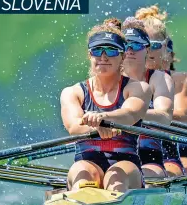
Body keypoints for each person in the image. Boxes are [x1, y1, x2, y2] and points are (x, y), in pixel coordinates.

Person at [60, 24, 152, 192]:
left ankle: (112, 200)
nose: (103, 57)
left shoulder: (139, 88)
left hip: (125, 164)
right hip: (86, 161)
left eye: (111, 51)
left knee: (115, 176)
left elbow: (130, 114)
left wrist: (105, 119)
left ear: (122, 56)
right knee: (82, 173)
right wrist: (100, 125)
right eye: (97, 51)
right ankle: (83, 198)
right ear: (89, 55)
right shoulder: (72, 92)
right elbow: (74, 127)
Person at [135, 4, 187, 176]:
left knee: (186, 167)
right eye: (141, 45)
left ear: (165, 47)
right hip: (131, 148)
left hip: (169, 146)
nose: (147, 50)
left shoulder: (179, 80)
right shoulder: (121, 78)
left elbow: (184, 116)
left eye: (153, 45)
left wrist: (134, 113)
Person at [117, 16, 175, 179]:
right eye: (126, 45)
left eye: (136, 45)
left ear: (147, 50)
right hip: (113, 152)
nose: (130, 50)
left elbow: (164, 118)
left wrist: (128, 114)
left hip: (149, 155)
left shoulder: (159, 79)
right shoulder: (108, 77)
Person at [163, 36, 187, 175]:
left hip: (177, 144)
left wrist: (138, 113)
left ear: (171, 56)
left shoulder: (182, 80)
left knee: (186, 167)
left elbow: (184, 117)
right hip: (139, 144)